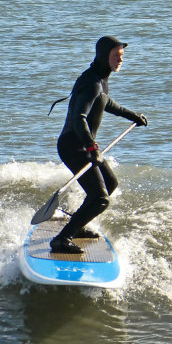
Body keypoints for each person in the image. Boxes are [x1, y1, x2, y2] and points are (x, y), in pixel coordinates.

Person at [50, 36, 148, 253]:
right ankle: (61, 239)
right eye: (116, 56)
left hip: (84, 145)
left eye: (121, 56)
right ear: (104, 56)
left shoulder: (100, 79)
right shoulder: (92, 82)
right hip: (73, 146)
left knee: (110, 184)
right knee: (100, 199)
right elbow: (79, 118)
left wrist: (133, 116)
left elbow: (105, 102)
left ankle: (77, 225)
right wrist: (92, 147)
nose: (120, 60)